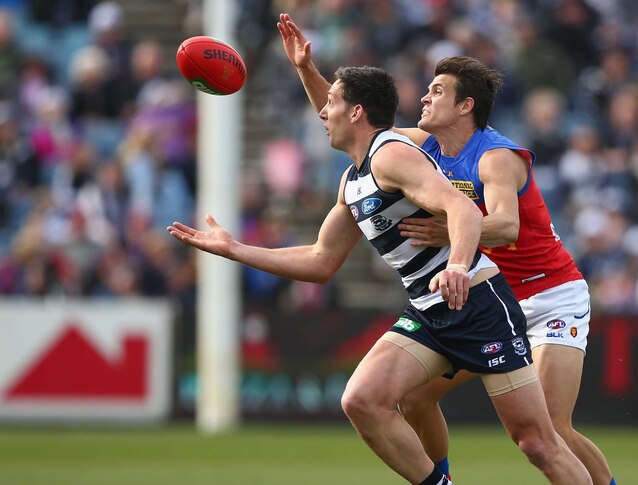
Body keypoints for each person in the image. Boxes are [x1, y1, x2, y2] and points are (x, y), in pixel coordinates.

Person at [169, 60, 591, 484]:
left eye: (331, 103)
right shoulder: (354, 180)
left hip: (479, 303)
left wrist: (459, 266)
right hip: (430, 309)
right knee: (362, 400)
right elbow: (320, 261)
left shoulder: (394, 155)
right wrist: (235, 249)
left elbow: (462, 208)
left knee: (540, 443)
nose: (321, 112)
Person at [278, 13, 616, 485]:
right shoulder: (426, 147)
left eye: (437, 90)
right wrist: (306, 70)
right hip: (483, 296)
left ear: (465, 106)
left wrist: (451, 232)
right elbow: (356, 129)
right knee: (414, 398)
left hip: (547, 294)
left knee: (549, 431)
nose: (424, 96)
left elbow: (505, 225)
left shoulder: (496, 157)